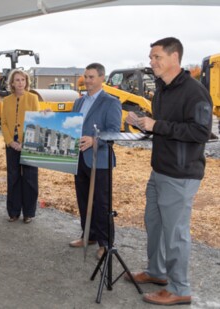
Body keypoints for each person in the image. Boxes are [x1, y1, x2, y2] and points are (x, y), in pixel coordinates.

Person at [124, 37, 212, 306]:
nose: (151, 62)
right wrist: (141, 123)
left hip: (181, 174)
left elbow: (201, 132)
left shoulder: (194, 92)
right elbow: (161, 125)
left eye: (156, 57)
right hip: (160, 170)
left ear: (175, 57)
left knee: (175, 234)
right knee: (155, 224)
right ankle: (157, 272)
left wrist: (157, 125)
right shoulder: (162, 89)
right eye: (151, 57)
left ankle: (179, 288)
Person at [68, 63, 121, 260]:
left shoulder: (111, 102)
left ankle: (106, 244)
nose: (87, 81)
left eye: (91, 77)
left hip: (99, 161)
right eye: (85, 77)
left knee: (101, 203)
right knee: (83, 199)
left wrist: (94, 140)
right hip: (79, 158)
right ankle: (88, 235)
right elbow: (72, 125)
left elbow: (114, 132)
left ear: (101, 78)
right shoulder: (78, 102)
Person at [0, 69, 39, 224]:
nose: (20, 83)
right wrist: (10, 141)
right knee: (13, 177)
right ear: (12, 83)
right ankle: (14, 212)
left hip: (29, 142)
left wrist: (26, 142)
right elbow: (3, 123)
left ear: (26, 82)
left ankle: (28, 213)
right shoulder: (7, 100)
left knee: (30, 178)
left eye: (23, 79)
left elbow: (36, 121)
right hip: (12, 143)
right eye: (17, 80)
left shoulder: (33, 98)